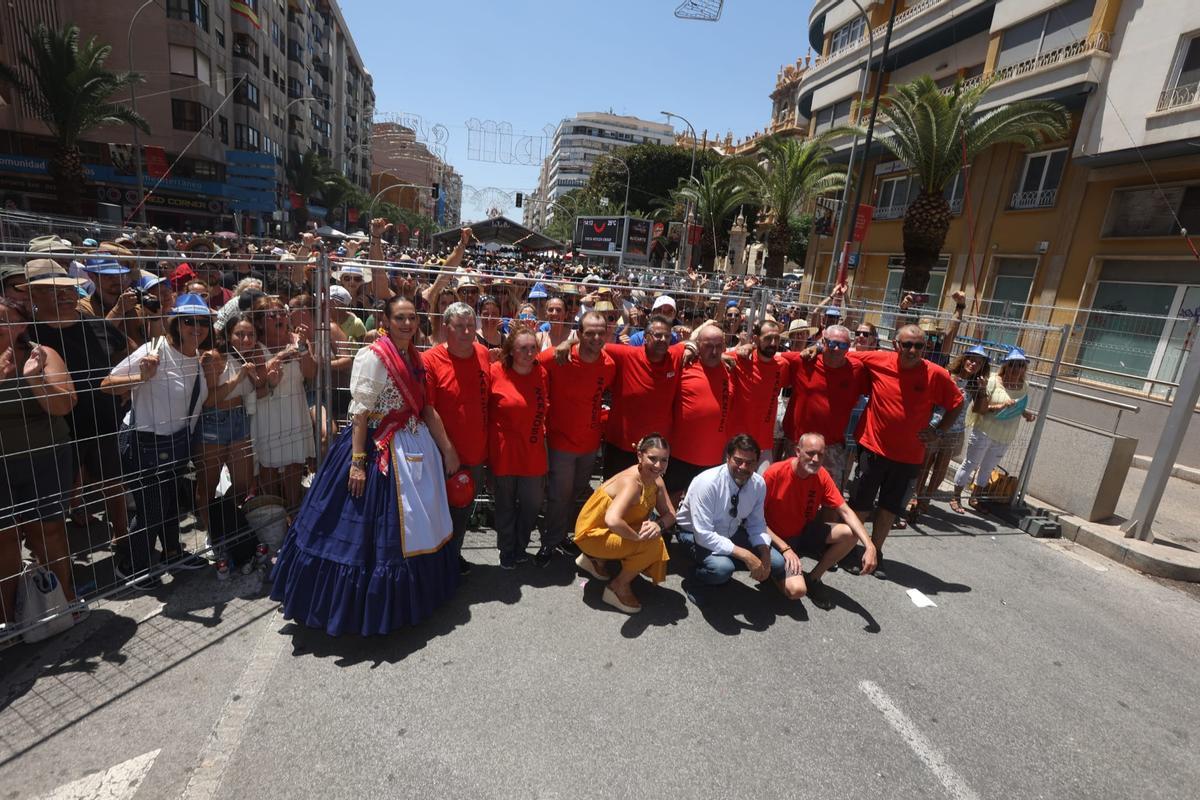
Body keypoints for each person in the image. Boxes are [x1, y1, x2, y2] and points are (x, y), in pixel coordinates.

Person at [269, 296, 461, 637]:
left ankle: (409, 600)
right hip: (376, 447)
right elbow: (359, 413)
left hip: (414, 448)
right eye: (399, 317)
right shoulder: (374, 355)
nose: (406, 323)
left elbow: (426, 408)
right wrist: (357, 464)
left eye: (412, 318)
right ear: (385, 319)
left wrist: (446, 448)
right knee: (368, 531)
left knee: (417, 524)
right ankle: (355, 610)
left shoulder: (413, 357)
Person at [101, 293, 215, 580]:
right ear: (176, 323)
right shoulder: (154, 350)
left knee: (168, 506)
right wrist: (140, 378)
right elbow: (106, 384)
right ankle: (133, 566)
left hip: (175, 443)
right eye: (189, 321)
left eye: (203, 322)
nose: (196, 327)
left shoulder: (197, 358)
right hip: (144, 441)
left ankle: (172, 554)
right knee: (150, 510)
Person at [847, 324, 964, 578]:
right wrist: (811, 350)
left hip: (909, 455)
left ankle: (875, 553)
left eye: (919, 346)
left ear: (925, 348)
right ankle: (848, 550)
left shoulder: (936, 374)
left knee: (890, 507)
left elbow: (957, 403)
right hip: (873, 447)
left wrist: (938, 431)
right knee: (861, 503)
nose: (912, 350)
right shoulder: (878, 359)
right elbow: (841, 354)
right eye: (907, 344)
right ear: (895, 345)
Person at [0, 296, 83, 626]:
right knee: (4, 537)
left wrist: (35, 379)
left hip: (46, 458)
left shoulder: (43, 354)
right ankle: (7, 617)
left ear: (19, 325)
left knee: (47, 531)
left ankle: (65, 598)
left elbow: (65, 405)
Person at [535, 311, 616, 566]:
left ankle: (560, 536)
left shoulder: (609, 364)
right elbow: (528, 366)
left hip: (590, 443)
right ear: (578, 334)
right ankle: (549, 542)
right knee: (559, 495)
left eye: (600, 333)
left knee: (574, 493)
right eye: (589, 332)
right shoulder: (557, 356)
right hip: (561, 442)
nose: (595, 337)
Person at [763, 433, 878, 610]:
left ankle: (814, 577)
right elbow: (755, 519)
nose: (816, 459)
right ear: (797, 451)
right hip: (775, 540)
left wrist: (870, 546)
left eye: (821, 454)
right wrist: (784, 548)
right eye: (810, 453)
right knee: (797, 591)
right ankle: (775, 571)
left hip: (801, 533)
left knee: (851, 533)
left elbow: (845, 511)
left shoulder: (821, 475)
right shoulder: (774, 473)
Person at [675, 434, 791, 598]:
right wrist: (746, 555)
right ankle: (695, 580)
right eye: (738, 460)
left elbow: (756, 524)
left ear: (757, 462)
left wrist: (764, 554)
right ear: (727, 458)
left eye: (750, 462)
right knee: (722, 569)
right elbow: (703, 535)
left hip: (729, 532)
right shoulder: (707, 482)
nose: (744, 467)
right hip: (692, 534)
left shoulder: (758, 484)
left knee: (776, 562)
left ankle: (732, 561)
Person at [573, 433, 675, 614]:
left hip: (599, 528)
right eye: (653, 458)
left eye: (664, 460)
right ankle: (617, 587)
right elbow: (612, 520)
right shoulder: (633, 484)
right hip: (591, 535)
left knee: (651, 530)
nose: (659, 465)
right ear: (640, 456)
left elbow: (671, 514)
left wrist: (658, 525)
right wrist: (636, 539)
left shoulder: (656, 479)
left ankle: (596, 560)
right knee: (653, 543)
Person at [423, 301, 491, 574]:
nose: (466, 332)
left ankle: (452, 558)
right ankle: (433, 564)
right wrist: (448, 450)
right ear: (445, 328)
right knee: (437, 510)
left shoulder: (484, 354)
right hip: (442, 453)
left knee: (463, 510)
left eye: (470, 326)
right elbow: (428, 409)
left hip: (476, 452)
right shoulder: (429, 359)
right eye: (459, 326)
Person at [194, 312, 266, 531]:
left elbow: (257, 392)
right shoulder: (214, 357)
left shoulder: (247, 357)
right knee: (208, 483)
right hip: (213, 424)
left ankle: (225, 521)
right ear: (227, 335)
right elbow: (209, 400)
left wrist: (266, 380)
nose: (246, 340)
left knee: (244, 483)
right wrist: (238, 379)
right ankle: (211, 531)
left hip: (239, 420)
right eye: (239, 334)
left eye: (250, 335)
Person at [488, 328, 548, 569]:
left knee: (533, 504)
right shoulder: (496, 371)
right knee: (505, 504)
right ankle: (507, 549)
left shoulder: (542, 373)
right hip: (504, 451)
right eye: (523, 348)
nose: (529, 352)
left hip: (533, 450)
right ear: (511, 350)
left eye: (533, 347)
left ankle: (521, 545)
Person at [779, 324, 865, 490]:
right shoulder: (803, 361)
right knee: (791, 491)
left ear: (849, 346)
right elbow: (768, 356)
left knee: (831, 498)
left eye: (842, 345)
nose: (836, 349)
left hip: (831, 446)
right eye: (832, 343)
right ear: (823, 342)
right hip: (798, 443)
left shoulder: (857, 370)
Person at [251, 295, 316, 510]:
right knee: (268, 470)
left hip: (295, 410)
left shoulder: (298, 341)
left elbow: (311, 373)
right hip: (267, 413)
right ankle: (274, 520)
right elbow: (257, 378)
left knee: (294, 469)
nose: (279, 317)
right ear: (259, 322)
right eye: (272, 315)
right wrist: (282, 355)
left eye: (282, 313)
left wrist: (304, 349)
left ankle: (294, 514)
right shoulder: (255, 346)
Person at [600, 314, 684, 479]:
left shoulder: (675, 355)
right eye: (657, 335)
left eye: (667, 336)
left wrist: (692, 346)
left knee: (647, 498)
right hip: (621, 446)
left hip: (655, 450)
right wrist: (568, 343)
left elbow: (695, 344)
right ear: (646, 337)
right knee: (612, 496)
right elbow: (594, 343)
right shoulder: (626, 354)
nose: (662, 339)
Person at [951, 347, 1036, 512]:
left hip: (1006, 435)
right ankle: (956, 497)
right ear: (1005, 366)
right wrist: (1000, 406)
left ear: (1024, 368)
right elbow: (980, 406)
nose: (1015, 369)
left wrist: (1025, 413)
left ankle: (974, 498)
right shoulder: (992, 381)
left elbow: (1018, 405)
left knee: (988, 468)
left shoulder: (1024, 386)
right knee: (970, 463)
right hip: (984, 430)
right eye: (1012, 364)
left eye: (1019, 365)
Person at [910, 346, 989, 519]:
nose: (973, 364)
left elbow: (981, 410)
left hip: (955, 430)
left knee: (941, 468)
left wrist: (982, 390)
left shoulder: (976, 384)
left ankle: (926, 499)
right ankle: (915, 497)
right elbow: (929, 397)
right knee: (924, 464)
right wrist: (950, 392)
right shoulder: (947, 375)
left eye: (979, 362)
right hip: (935, 425)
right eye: (971, 359)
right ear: (964, 359)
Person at [666, 322, 732, 500]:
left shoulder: (731, 368)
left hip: (713, 457)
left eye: (719, 346)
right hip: (681, 453)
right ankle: (665, 528)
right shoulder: (685, 364)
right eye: (708, 346)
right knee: (671, 497)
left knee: (703, 502)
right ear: (698, 346)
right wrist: (688, 345)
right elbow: (667, 351)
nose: (714, 351)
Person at [728, 319, 786, 472]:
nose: (773, 343)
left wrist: (818, 347)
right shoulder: (740, 358)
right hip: (736, 444)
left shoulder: (782, 364)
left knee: (762, 490)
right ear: (755, 339)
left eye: (777, 338)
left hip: (764, 446)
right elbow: (711, 355)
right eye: (767, 338)